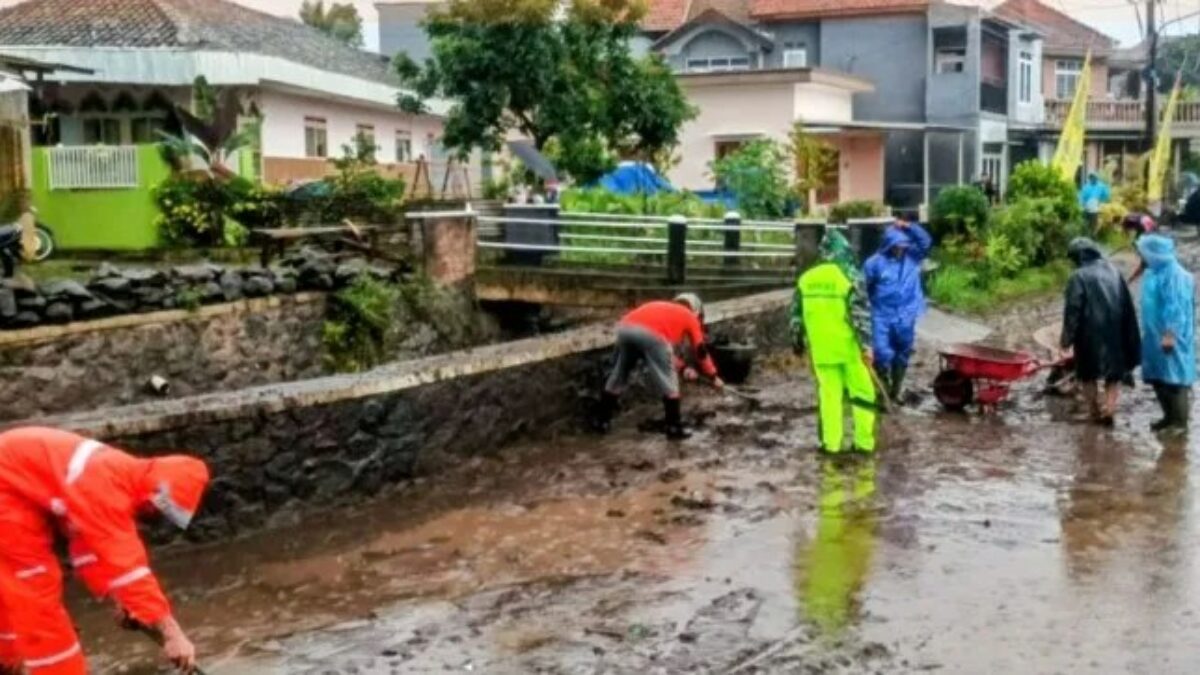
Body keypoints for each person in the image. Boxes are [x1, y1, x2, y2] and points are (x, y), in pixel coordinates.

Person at [0, 427, 209, 674]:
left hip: (11, 485)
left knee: (12, 593)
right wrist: (172, 634)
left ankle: (7, 661)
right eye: (158, 510)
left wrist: (123, 600)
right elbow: (129, 569)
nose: (152, 515)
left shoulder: (116, 473)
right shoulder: (105, 489)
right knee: (35, 596)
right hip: (7, 493)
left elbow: (91, 551)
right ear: (160, 493)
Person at [594, 294, 724, 440]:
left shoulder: (664, 309)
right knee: (670, 382)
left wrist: (683, 368)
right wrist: (713, 376)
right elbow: (700, 351)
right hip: (650, 336)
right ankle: (674, 427)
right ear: (697, 311)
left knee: (619, 374)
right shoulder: (690, 316)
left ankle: (601, 421)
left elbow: (661, 354)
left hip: (625, 329)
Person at [793, 231, 877, 455]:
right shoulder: (850, 277)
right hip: (850, 350)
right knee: (862, 395)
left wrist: (798, 343)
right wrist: (867, 347)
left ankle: (832, 445)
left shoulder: (806, 279)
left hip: (821, 351)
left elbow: (795, 317)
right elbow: (860, 317)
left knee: (829, 397)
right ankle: (863, 443)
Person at [1060, 238, 1141, 426]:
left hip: (1089, 334)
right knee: (1114, 373)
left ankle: (1094, 411)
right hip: (1115, 330)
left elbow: (1073, 309)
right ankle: (1110, 408)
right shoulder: (1114, 272)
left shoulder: (1078, 276)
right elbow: (1126, 303)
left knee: (1087, 373)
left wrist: (1066, 340)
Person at [863, 212, 932, 402]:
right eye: (897, 246)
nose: (900, 249)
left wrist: (908, 226)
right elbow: (865, 289)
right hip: (882, 314)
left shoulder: (912, 257)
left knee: (903, 352)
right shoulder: (874, 263)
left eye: (903, 246)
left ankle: (896, 390)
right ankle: (882, 391)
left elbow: (926, 242)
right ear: (889, 245)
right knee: (882, 352)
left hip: (906, 314)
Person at [1135, 235, 1196, 433]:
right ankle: (1168, 418)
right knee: (1158, 377)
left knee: (1175, 379)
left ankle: (1179, 424)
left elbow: (1175, 309)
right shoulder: (1155, 271)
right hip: (1154, 335)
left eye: (1143, 253)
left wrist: (1170, 335)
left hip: (1171, 336)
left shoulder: (1175, 275)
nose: (1140, 256)